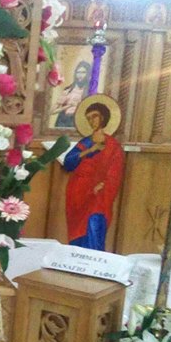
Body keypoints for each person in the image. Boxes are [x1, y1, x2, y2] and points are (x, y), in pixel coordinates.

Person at [64, 99, 125, 250]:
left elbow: (115, 173)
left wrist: (103, 185)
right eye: (89, 118)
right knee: (77, 235)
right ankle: (76, 260)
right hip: (78, 192)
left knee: (94, 222)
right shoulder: (85, 143)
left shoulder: (113, 146)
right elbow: (68, 162)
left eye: (95, 116)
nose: (92, 121)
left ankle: (93, 260)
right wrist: (90, 150)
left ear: (103, 117)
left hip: (99, 194)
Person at [52, 61, 92, 129]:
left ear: (88, 74)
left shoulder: (90, 92)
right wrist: (69, 105)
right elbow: (52, 111)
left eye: (83, 72)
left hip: (79, 123)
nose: (80, 75)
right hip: (63, 122)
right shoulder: (68, 90)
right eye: (78, 72)